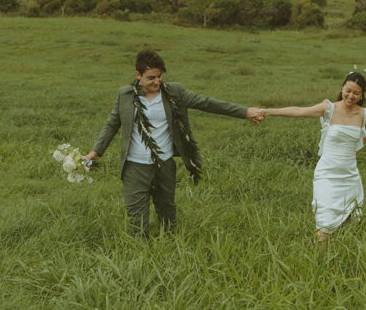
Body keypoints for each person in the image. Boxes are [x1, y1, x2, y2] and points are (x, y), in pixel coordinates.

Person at [85, 49, 266, 237]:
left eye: (160, 76)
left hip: (164, 165)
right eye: (151, 77)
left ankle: (169, 251)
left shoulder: (174, 92)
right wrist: (94, 153)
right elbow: (111, 125)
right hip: (134, 167)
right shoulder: (125, 95)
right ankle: (139, 257)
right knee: (137, 223)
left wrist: (244, 112)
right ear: (138, 75)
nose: (157, 82)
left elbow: (207, 103)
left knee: (168, 216)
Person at [262, 71, 366, 241]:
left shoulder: (364, 115)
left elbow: (363, 138)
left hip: (350, 175)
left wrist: (350, 155)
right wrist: (267, 111)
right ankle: (319, 259)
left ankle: (341, 258)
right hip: (327, 173)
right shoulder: (329, 108)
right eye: (348, 91)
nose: (351, 96)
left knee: (349, 220)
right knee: (325, 220)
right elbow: (298, 111)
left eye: (356, 93)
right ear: (342, 88)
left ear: (361, 95)